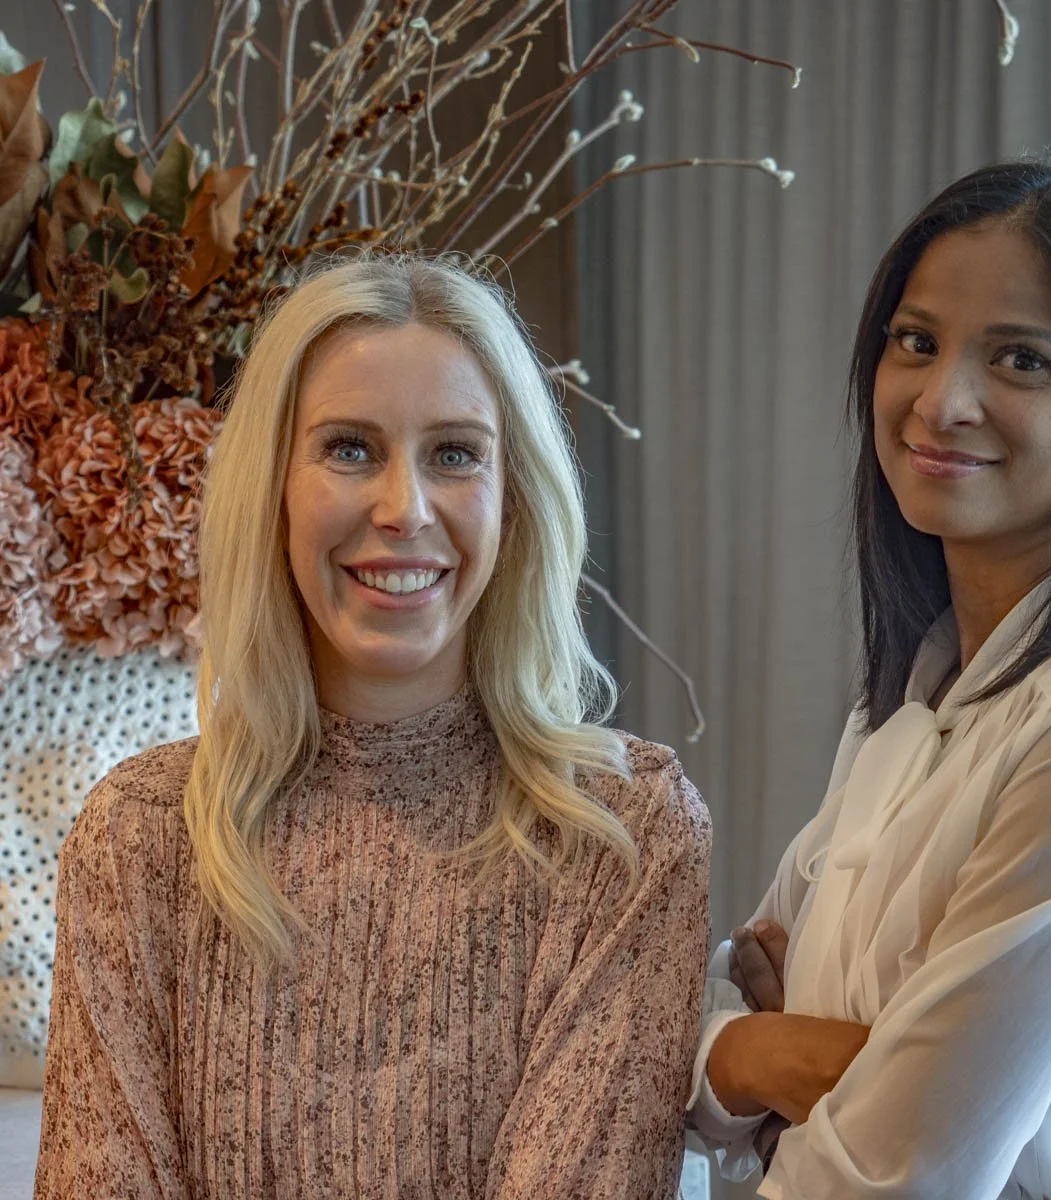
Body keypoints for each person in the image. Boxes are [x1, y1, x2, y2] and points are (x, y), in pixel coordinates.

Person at [35, 254, 712, 1199]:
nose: (405, 509)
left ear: (514, 500)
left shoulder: (623, 835)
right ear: (271, 491)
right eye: (349, 448)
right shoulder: (140, 838)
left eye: (455, 453)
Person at [688, 160, 1051, 1199]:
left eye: (1020, 359)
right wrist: (754, 1055)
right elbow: (694, 1033)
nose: (941, 400)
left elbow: (899, 1169)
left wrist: (811, 1061)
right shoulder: (916, 695)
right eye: (916, 343)